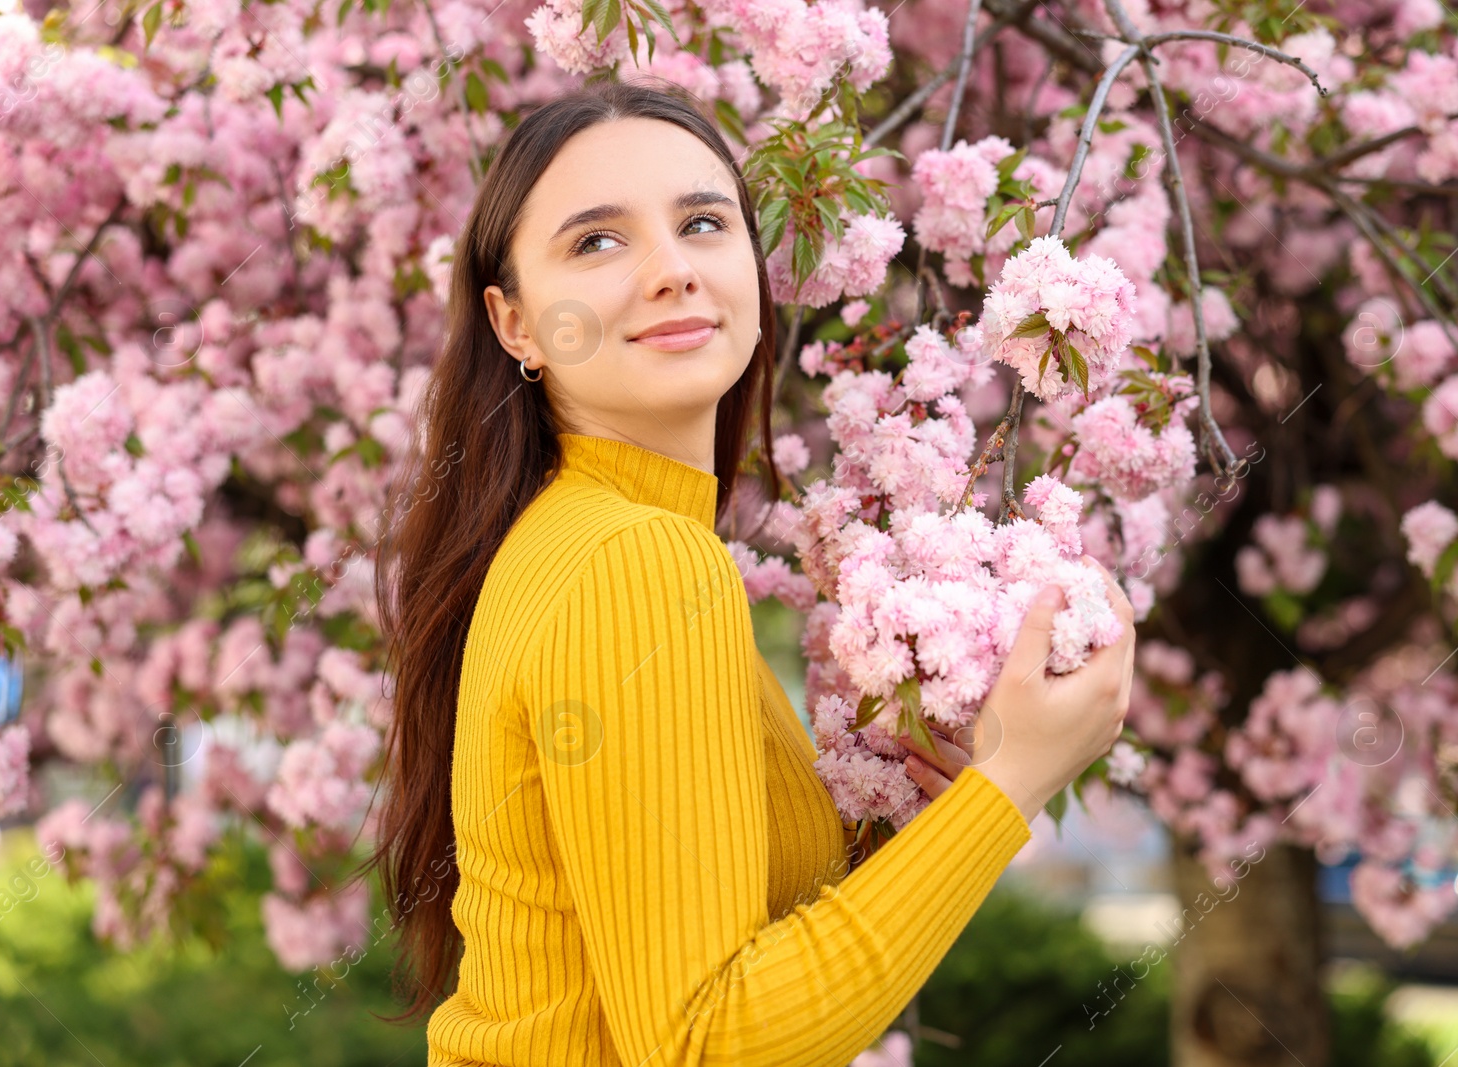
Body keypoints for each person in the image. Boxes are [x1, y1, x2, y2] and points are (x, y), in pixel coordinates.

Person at [370, 79, 1136, 1067]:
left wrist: (925, 829)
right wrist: (1018, 778)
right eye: (596, 242)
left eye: (701, 222)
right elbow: (705, 1040)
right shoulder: (629, 558)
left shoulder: (582, 533)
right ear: (514, 323)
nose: (672, 271)